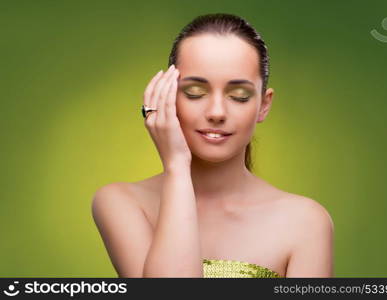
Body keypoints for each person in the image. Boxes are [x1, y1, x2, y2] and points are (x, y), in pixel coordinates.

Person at [91, 13, 334, 278]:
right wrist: (177, 166)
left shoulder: (306, 222)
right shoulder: (121, 202)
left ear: (264, 105)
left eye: (239, 96)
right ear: (168, 96)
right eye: (195, 92)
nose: (216, 112)